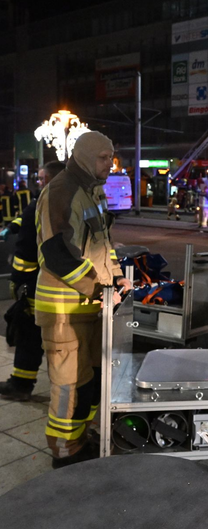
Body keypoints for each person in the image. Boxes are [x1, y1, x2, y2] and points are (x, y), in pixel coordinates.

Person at [35, 132, 133, 468]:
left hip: (89, 308)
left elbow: (103, 245)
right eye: (104, 157)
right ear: (84, 156)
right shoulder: (63, 190)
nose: (110, 164)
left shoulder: (92, 191)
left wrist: (116, 277)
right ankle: (64, 453)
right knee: (69, 388)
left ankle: (80, 440)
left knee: (88, 382)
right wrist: (99, 289)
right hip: (64, 310)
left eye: (111, 157)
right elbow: (57, 255)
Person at [0, 162, 66, 401]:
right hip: (37, 282)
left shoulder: (50, 204)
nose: (38, 182)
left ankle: (21, 385)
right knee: (32, 333)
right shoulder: (47, 201)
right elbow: (28, 216)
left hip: (34, 283)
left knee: (29, 332)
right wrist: (12, 226)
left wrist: (21, 283)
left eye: (41, 178)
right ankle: (22, 382)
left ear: (51, 179)